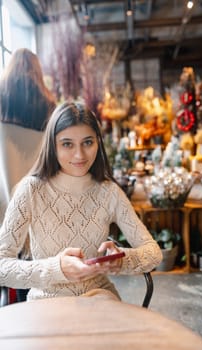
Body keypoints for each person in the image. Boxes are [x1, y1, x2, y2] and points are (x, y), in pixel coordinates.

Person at [0, 101, 162, 301]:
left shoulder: (109, 192)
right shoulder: (31, 190)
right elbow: (2, 267)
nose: (80, 155)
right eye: (67, 144)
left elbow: (153, 252)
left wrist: (121, 261)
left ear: (98, 142)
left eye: (88, 142)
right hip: (46, 303)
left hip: (99, 298)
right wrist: (56, 268)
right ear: (53, 146)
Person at [0, 48, 56, 301]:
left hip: (3, 200)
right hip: (35, 205)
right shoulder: (49, 107)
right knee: (31, 279)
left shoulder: (2, 101)